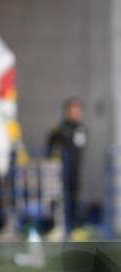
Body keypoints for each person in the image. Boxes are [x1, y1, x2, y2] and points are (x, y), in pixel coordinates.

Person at [46, 98, 88, 235]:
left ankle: (75, 227)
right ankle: (56, 227)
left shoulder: (81, 129)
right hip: (59, 171)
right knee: (57, 199)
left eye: (76, 111)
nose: (73, 114)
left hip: (74, 170)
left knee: (74, 197)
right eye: (71, 111)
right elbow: (49, 147)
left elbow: (81, 146)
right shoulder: (59, 129)